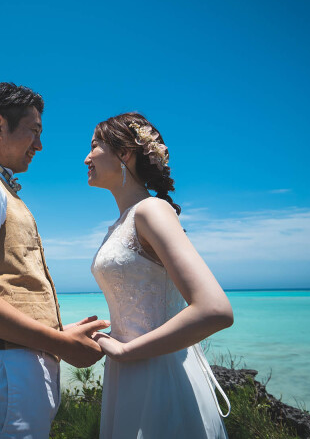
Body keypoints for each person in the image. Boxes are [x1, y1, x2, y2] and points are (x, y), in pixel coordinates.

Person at [0, 82, 108, 438]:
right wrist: (61, 344)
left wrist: (59, 332)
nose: (39, 145)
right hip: (3, 371)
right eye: (34, 131)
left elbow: (5, 286)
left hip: (11, 369)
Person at [84, 112, 233, 438]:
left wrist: (126, 351)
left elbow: (214, 309)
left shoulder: (152, 211)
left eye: (95, 146)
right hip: (127, 376)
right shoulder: (119, 224)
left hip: (158, 375)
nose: (86, 157)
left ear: (125, 153)